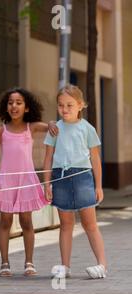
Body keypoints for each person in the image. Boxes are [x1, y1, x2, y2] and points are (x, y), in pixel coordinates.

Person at [0, 88, 58, 277]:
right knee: (5, 221)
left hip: (26, 180)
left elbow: (49, 126)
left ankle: (29, 262)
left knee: (27, 221)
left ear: (26, 108)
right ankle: (4, 262)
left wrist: (51, 122)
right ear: (6, 107)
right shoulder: (1, 129)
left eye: (19, 102)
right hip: (7, 180)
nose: (14, 106)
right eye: (10, 102)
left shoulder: (31, 127)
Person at [44, 84, 107, 279]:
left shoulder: (87, 128)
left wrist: (98, 185)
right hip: (60, 178)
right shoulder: (55, 129)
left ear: (80, 105)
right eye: (61, 105)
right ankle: (65, 266)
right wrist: (47, 184)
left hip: (83, 178)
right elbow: (48, 158)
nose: (64, 109)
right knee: (65, 225)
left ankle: (102, 265)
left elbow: (95, 159)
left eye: (69, 105)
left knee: (90, 224)